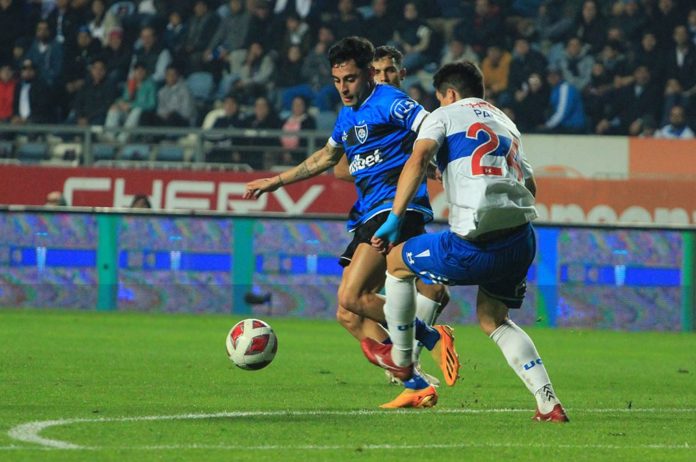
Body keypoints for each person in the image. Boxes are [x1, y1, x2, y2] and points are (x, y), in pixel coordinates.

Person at [244, 36, 455, 389]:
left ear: (369, 74)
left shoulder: (390, 101)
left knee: (351, 296)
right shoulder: (346, 116)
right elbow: (326, 159)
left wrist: (438, 163)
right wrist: (277, 181)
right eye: (337, 80)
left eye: (351, 79)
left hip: (395, 208)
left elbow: (433, 128)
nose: (343, 87)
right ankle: (415, 383)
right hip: (368, 211)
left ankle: (432, 338)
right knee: (347, 313)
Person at [362, 61, 568, 420]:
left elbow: (418, 157)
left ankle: (403, 361)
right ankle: (548, 401)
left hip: (475, 244)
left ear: (450, 94)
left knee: (396, 263)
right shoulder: (505, 123)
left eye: (440, 98)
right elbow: (530, 187)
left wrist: (395, 218)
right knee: (494, 319)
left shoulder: (443, 115)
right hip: (521, 240)